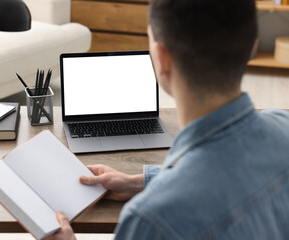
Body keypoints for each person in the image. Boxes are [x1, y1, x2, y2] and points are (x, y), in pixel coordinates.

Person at [47, 0, 289, 239]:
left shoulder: (149, 222)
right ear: (252, 47)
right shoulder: (283, 124)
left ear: (162, 59)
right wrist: (137, 182)